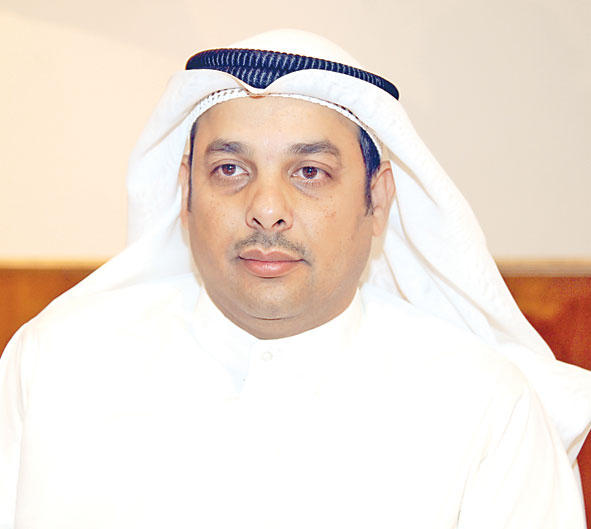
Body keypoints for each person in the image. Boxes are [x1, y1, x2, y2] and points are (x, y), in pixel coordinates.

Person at [1, 29, 590, 529]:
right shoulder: (53, 365)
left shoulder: (485, 406)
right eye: (229, 169)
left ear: (377, 199)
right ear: (185, 191)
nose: (266, 209)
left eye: (310, 172)